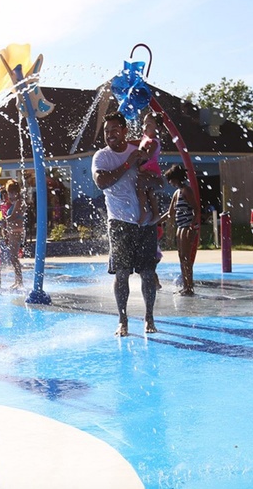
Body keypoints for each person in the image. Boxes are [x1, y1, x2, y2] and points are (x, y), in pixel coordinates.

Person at [92, 111, 163, 336]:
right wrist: (126, 165)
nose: (110, 135)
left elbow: (160, 181)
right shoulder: (101, 157)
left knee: (148, 273)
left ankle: (149, 317)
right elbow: (101, 182)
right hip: (120, 222)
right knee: (122, 274)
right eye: (106, 131)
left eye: (114, 130)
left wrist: (148, 178)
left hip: (145, 224)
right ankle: (122, 319)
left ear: (124, 131)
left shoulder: (139, 151)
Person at [164, 165, 200, 296]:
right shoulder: (176, 193)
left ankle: (190, 287)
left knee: (186, 258)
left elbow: (196, 209)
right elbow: (170, 213)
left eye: (170, 180)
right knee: (181, 257)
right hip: (180, 227)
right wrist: (154, 222)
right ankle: (186, 286)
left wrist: (192, 225)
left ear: (176, 179)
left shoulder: (186, 191)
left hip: (187, 226)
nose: (169, 183)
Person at [129, 111, 164, 224]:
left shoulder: (154, 142)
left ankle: (144, 212)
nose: (145, 126)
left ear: (157, 128)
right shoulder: (145, 138)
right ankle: (156, 214)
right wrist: (126, 143)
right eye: (144, 124)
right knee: (149, 193)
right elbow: (139, 142)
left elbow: (148, 155)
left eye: (149, 124)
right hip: (146, 171)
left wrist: (139, 154)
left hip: (151, 171)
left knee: (140, 187)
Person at [2, 179, 25, 289]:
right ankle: (17, 280)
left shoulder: (19, 202)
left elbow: (14, 216)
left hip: (16, 232)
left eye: (12, 192)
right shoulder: (15, 202)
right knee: (13, 257)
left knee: (13, 257)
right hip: (12, 232)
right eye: (9, 193)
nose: (10, 195)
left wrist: (3, 219)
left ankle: (19, 281)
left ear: (17, 192)